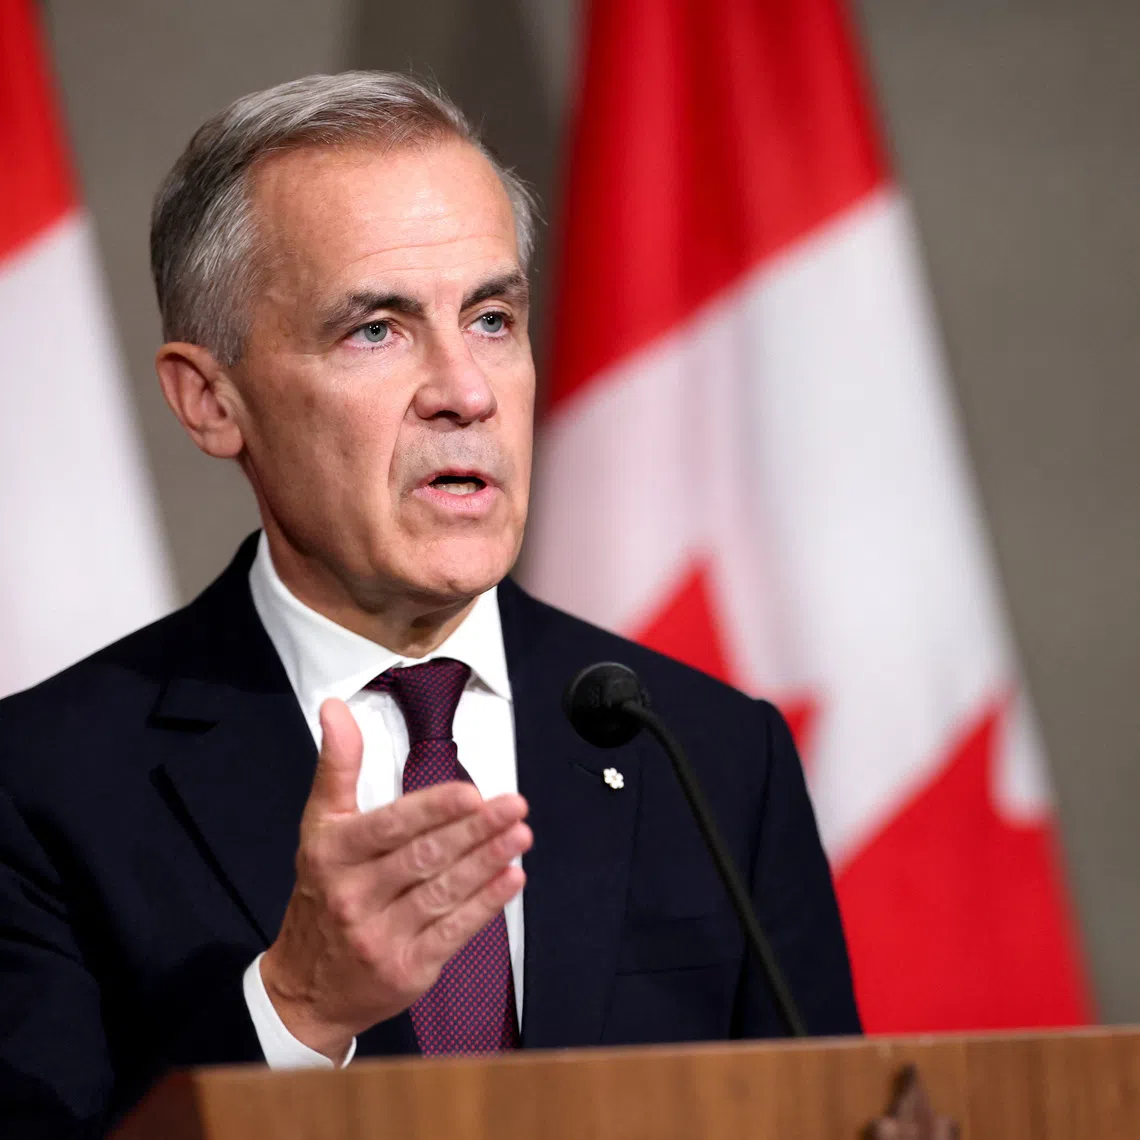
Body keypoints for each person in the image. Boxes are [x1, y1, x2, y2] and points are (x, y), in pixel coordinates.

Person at [0, 72, 860, 1136]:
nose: (467, 389)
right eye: (378, 330)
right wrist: (298, 1011)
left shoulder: (713, 757)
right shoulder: (42, 787)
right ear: (212, 399)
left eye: (493, 317)